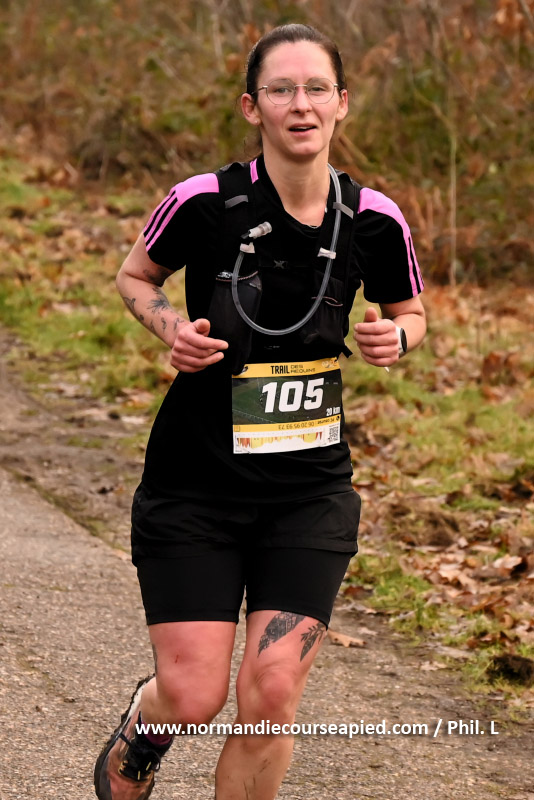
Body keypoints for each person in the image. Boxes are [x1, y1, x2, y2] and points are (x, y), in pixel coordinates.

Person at [94, 22, 426, 800]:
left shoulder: (376, 218)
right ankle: (145, 728)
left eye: (317, 89)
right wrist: (172, 330)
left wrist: (397, 338)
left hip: (308, 491)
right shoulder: (203, 202)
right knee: (193, 697)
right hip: (195, 484)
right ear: (253, 106)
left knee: (272, 692)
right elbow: (135, 277)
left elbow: (411, 312)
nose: (300, 105)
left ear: (342, 103)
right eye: (281, 89)